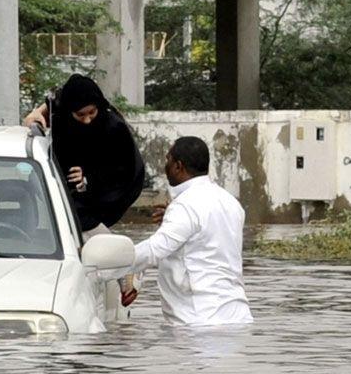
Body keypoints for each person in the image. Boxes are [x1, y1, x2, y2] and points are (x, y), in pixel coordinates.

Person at [126, 136, 253, 326]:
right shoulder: (230, 202)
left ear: (178, 166)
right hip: (238, 317)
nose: (165, 165)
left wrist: (111, 265)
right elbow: (201, 243)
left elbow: (154, 250)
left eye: (167, 159)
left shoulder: (185, 206)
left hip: (199, 322)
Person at [25, 74, 146, 236]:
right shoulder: (62, 111)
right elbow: (54, 102)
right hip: (72, 179)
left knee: (81, 216)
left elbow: (121, 170)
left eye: (92, 113)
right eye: (80, 115)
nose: (87, 120)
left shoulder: (114, 128)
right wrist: (37, 113)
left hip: (115, 183)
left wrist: (88, 177)